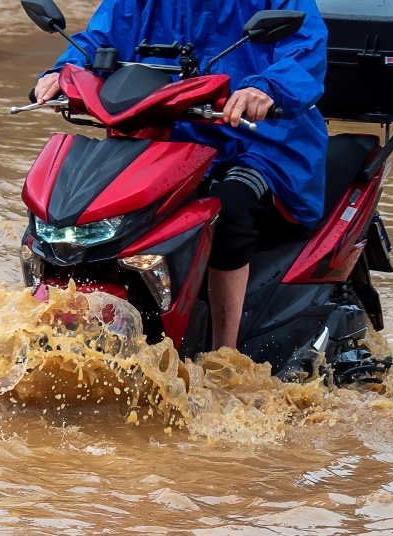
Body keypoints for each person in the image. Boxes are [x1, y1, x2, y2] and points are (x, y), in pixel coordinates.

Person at [33, 0, 328, 351]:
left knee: (230, 208)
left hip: (261, 138)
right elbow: (99, 40)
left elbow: (305, 46)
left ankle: (225, 354)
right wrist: (65, 70)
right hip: (165, 134)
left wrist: (266, 88)